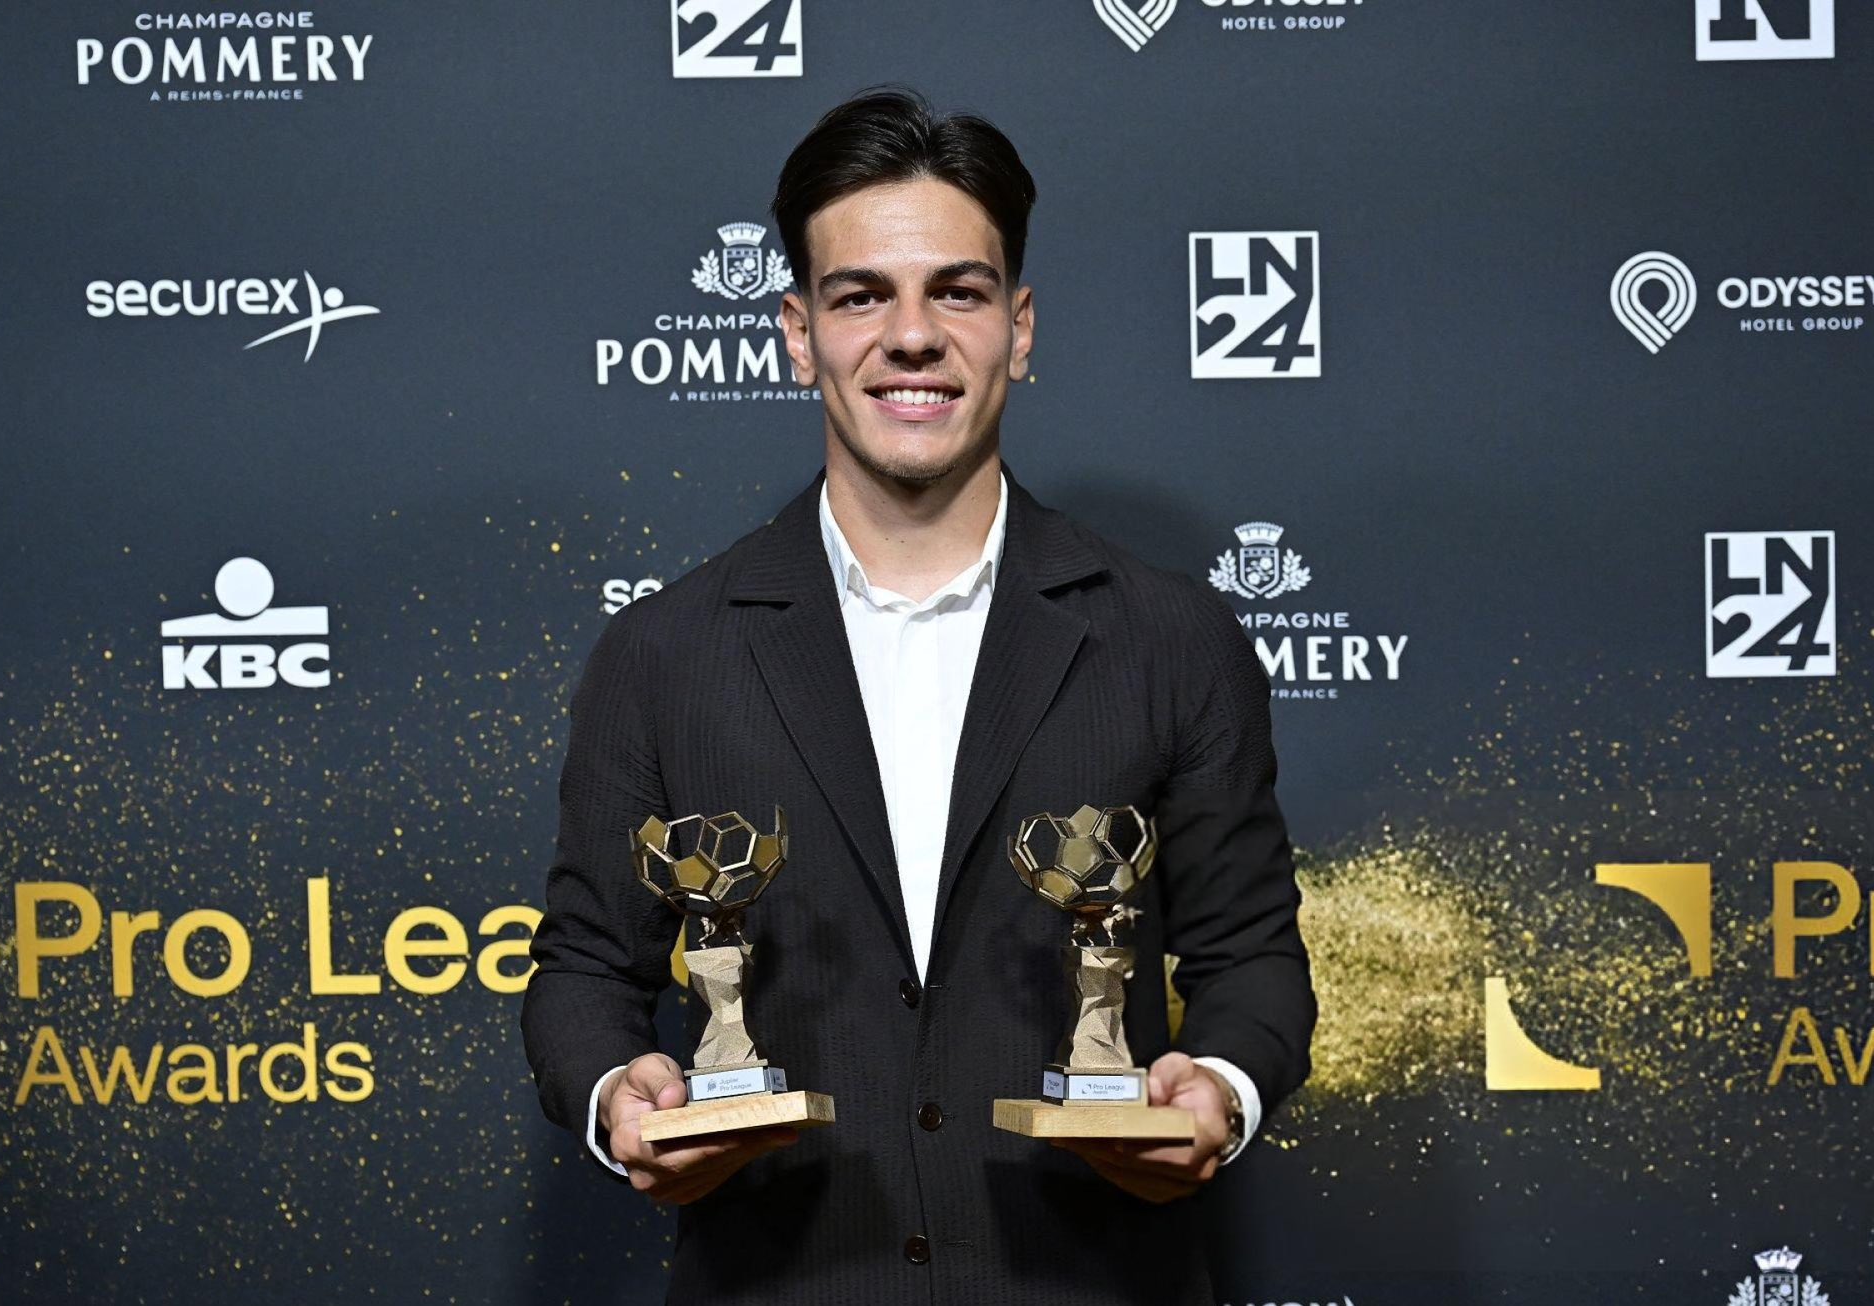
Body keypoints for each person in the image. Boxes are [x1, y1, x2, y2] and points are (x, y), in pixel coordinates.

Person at [522, 85, 1316, 1305]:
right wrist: (614, 1098)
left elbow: (1252, 957)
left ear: (1019, 327)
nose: (911, 336)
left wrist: (1220, 1088)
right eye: (859, 296)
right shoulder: (662, 652)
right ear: (797, 334)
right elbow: (583, 970)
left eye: (957, 291)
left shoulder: (1169, 638)